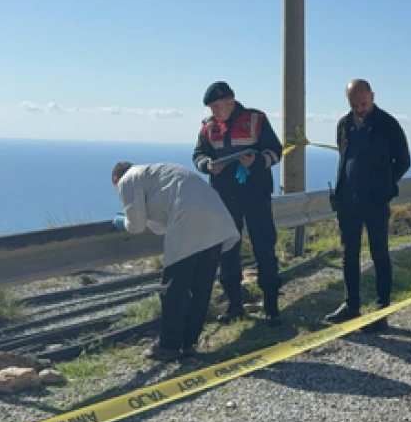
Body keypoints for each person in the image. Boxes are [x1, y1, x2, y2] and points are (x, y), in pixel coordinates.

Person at [112, 162, 241, 361]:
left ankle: (168, 346)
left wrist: (122, 222)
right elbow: (159, 217)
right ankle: (189, 343)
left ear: (116, 180)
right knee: (201, 287)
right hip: (216, 218)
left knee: (174, 289)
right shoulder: (156, 173)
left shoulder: (127, 180)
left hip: (188, 220)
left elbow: (136, 226)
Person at [192, 81, 285, 326]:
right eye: (211, 107)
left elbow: (275, 150)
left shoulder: (256, 119)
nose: (214, 111)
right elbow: (198, 155)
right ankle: (234, 305)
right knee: (227, 251)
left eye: (217, 106)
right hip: (224, 196)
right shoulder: (208, 127)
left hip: (256, 194)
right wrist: (208, 165)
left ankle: (272, 306)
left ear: (231, 101)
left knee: (264, 247)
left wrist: (255, 161)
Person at [323, 79, 411, 331]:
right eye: (354, 104)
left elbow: (403, 160)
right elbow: (344, 160)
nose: (359, 108)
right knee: (349, 255)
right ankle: (351, 305)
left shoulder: (387, 124)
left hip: (375, 200)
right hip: (348, 200)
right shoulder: (344, 124)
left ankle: (381, 310)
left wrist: (385, 184)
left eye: (363, 103)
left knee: (379, 254)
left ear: (372, 96)